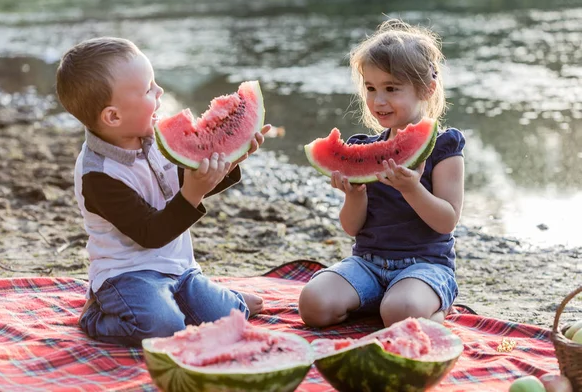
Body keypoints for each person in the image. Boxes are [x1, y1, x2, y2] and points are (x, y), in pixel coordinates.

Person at [55, 37, 268, 347]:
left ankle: (218, 299)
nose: (160, 92)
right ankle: (95, 314)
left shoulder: (154, 137)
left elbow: (189, 181)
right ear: (113, 116)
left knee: (232, 314)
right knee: (162, 327)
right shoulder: (98, 175)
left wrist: (231, 157)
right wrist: (192, 194)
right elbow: (151, 232)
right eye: (148, 89)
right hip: (127, 275)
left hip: (180, 269)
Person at [299, 20, 465, 329]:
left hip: (426, 267)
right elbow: (352, 227)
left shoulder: (445, 147)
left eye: (391, 88)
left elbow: (447, 220)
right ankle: (378, 303)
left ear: (426, 89)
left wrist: (412, 189)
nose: (378, 100)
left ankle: (437, 309)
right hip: (368, 264)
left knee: (400, 311)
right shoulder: (362, 148)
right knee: (312, 304)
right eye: (371, 88)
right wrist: (353, 195)